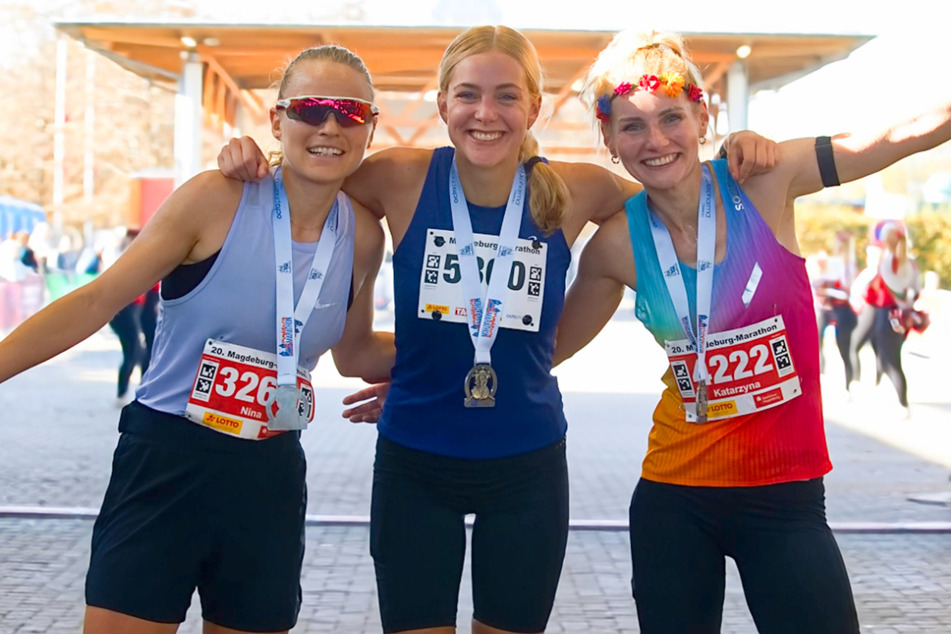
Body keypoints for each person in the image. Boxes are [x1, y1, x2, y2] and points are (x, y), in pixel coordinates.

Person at [218, 24, 779, 634]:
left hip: (527, 469)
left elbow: (680, 194)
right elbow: (310, 170)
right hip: (414, 465)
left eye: (506, 96)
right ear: (443, 105)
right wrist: (250, 156)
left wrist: (736, 151)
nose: (485, 113)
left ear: (533, 107)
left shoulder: (578, 189)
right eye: (468, 95)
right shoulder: (398, 176)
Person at [555, 28, 951, 634]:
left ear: (701, 118)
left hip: (786, 498)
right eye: (632, 126)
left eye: (671, 117)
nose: (655, 140)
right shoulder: (614, 246)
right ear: (609, 140)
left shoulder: (765, 179)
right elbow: (546, 350)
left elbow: (897, 136)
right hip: (673, 497)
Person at [0, 44, 393, 634]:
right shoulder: (217, 197)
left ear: (371, 128)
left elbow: (356, 352)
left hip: (269, 473)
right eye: (310, 109)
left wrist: (460, 361)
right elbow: (96, 299)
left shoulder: (362, 235)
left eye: (350, 112)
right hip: (168, 459)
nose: (330, 126)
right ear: (277, 120)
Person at [855, 220, 922, 413]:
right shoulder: (910, 263)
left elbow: (878, 287)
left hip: (887, 314)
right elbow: (916, 290)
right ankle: (891, 396)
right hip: (901, 315)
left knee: (890, 360)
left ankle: (903, 404)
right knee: (889, 356)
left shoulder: (886, 262)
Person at [812, 230, 858, 389]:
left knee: (844, 348)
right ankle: (820, 374)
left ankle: (849, 383)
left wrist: (829, 290)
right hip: (825, 307)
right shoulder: (831, 263)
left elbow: (848, 292)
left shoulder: (849, 266)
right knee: (816, 341)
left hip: (842, 309)